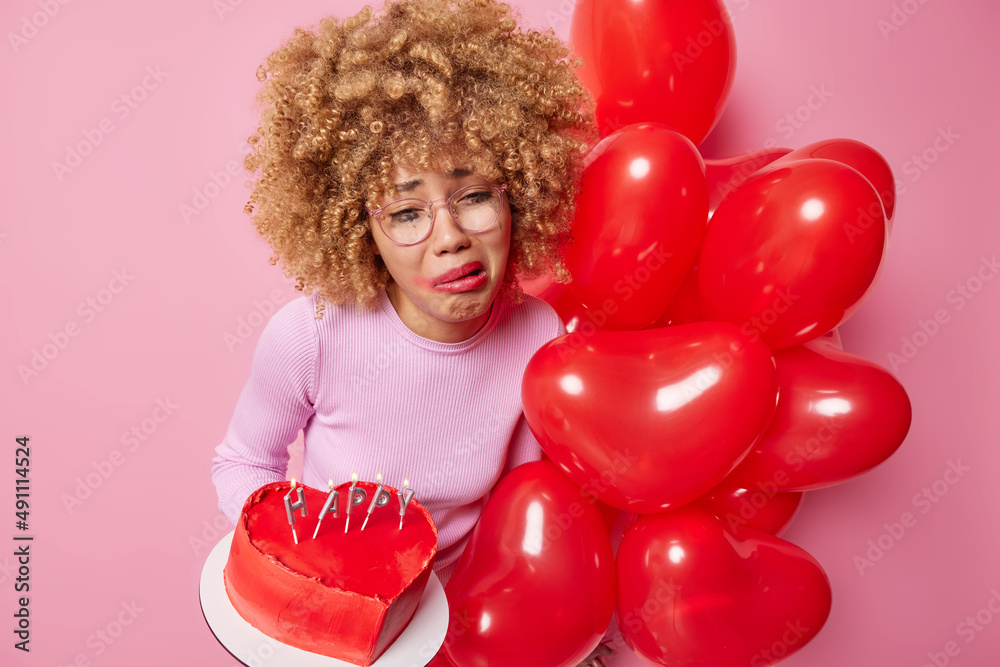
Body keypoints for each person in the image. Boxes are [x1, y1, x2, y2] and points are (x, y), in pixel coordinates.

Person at [210, 0, 613, 663]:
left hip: (469, 625)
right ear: (358, 226)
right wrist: (292, 568)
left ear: (518, 191)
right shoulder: (311, 334)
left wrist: (558, 622)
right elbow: (242, 462)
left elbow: (524, 510)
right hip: (334, 622)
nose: (450, 238)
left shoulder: (538, 337)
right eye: (405, 211)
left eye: (476, 195)